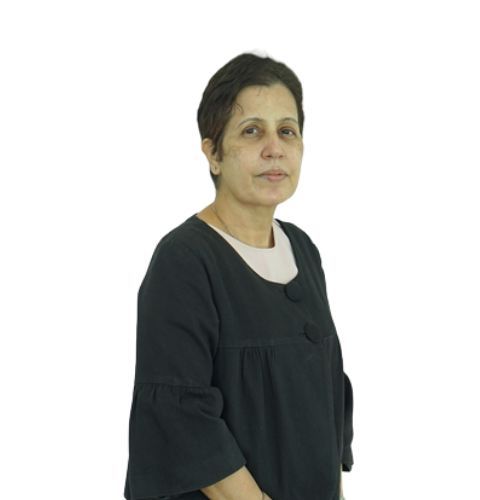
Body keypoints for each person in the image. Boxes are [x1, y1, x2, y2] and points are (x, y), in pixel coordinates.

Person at [124, 49, 353, 500]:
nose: (274, 148)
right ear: (212, 153)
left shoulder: (302, 247)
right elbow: (183, 418)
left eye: (287, 131)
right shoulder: (184, 261)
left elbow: (329, 395)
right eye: (252, 131)